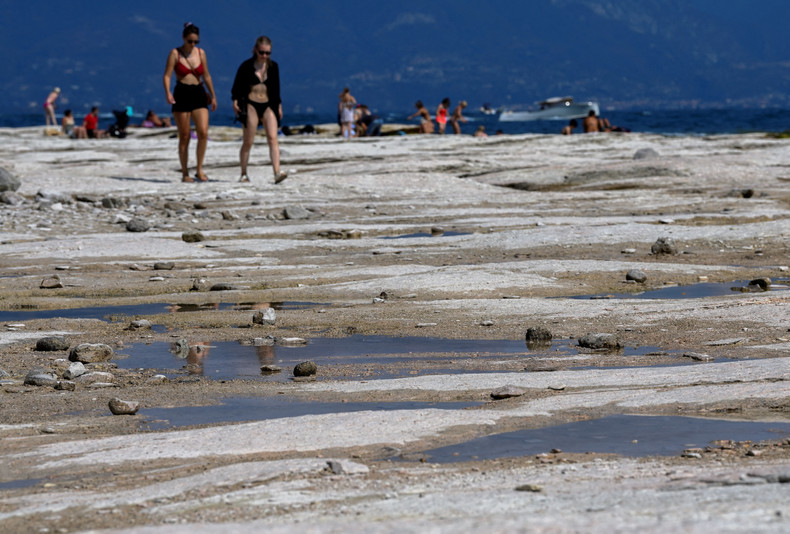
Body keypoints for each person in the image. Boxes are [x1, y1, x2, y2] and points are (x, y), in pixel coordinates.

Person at [163, 22, 217, 182]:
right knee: (185, 136)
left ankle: (199, 169)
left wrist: (213, 96)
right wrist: (167, 93)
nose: (193, 44)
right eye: (190, 41)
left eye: (195, 42)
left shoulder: (201, 53)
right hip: (182, 93)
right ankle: (185, 172)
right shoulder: (175, 53)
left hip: (199, 93)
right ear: (183, 38)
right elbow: (167, 75)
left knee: (203, 132)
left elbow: (206, 75)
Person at [231, 35, 288, 184]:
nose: (264, 56)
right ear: (255, 50)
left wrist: (279, 106)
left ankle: (277, 172)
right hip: (251, 104)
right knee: (248, 141)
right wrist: (235, 101)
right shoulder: (246, 66)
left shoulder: (273, 67)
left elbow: (276, 88)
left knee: (272, 138)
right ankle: (243, 173)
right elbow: (237, 86)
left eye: (267, 53)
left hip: (268, 104)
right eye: (262, 52)